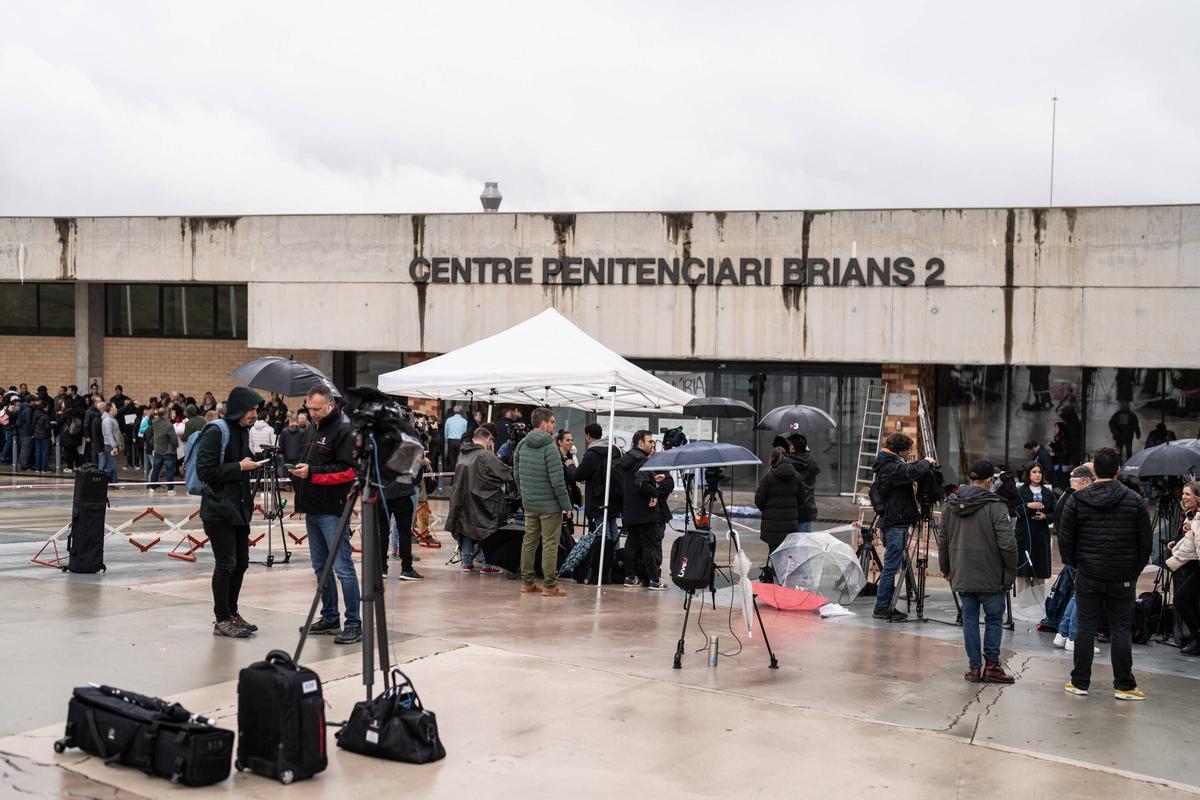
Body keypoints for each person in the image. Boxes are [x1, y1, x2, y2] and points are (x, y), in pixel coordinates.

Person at [1057, 447, 1152, 699]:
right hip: (1122, 575)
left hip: (1088, 573)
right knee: (1121, 628)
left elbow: (1065, 539)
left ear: (1094, 470)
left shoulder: (1077, 500)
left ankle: (1079, 682)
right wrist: (1134, 570)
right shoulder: (1134, 500)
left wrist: (1077, 563)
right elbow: (1145, 542)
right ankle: (1124, 685)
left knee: (1086, 627)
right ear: (1118, 470)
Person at [290, 385, 362, 645]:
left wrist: (313, 473)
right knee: (320, 567)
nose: (312, 414)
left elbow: (349, 471)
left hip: (333, 509)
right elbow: (311, 463)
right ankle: (330, 616)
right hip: (312, 507)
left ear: (330, 405)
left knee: (343, 567)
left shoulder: (343, 430)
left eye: (317, 409)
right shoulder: (311, 427)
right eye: (309, 409)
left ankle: (353, 623)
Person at [938, 459, 1018, 683]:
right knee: (994, 618)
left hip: (962, 571)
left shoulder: (950, 504)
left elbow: (943, 541)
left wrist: (946, 568)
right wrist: (1010, 570)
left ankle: (974, 667)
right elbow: (1007, 544)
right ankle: (992, 666)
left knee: (969, 618)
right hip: (991, 573)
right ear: (990, 480)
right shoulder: (996, 505)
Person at [196, 387, 263, 638]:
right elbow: (205, 471)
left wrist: (252, 465)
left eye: (256, 410)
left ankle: (232, 613)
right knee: (225, 564)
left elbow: (240, 467)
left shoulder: (243, 432)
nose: (254, 415)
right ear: (238, 409)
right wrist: (239, 466)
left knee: (241, 563)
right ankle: (221, 618)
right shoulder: (216, 431)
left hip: (238, 508)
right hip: (218, 509)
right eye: (251, 410)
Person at [870, 432, 935, 621]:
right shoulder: (890, 467)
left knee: (892, 565)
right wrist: (926, 462)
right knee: (891, 566)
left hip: (895, 521)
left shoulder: (890, 464)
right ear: (900, 450)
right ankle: (882, 607)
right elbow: (911, 472)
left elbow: (909, 469)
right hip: (895, 523)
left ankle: (886, 604)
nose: (909, 454)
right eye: (908, 450)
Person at [513, 407, 573, 597]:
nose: (554, 426)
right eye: (552, 422)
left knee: (529, 542)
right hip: (550, 507)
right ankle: (549, 585)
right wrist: (566, 505)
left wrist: (525, 494)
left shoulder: (522, 444)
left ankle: (527, 582)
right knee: (549, 544)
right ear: (543, 423)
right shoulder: (550, 448)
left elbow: (516, 473)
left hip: (530, 503)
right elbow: (557, 481)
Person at [445, 427, 508, 574]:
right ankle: (487, 564)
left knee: (466, 528)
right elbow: (504, 473)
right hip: (482, 500)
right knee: (486, 531)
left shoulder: (463, 454)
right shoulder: (486, 455)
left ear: (474, 439)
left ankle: (466, 563)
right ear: (488, 439)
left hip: (463, 499)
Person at [1053, 465, 1100, 654]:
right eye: (1091, 482)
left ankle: (1063, 633)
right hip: (1078, 556)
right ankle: (1074, 637)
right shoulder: (1075, 499)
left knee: (1077, 595)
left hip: (1072, 556)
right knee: (1083, 597)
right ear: (1084, 481)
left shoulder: (1066, 497)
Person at [618, 429, 672, 591]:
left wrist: (651, 480)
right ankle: (654, 579)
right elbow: (640, 483)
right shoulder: (642, 461)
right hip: (644, 511)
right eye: (649, 442)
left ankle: (630, 576)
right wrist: (654, 490)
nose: (652, 444)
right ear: (640, 443)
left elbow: (636, 481)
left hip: (630, 509)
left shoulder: (628, 459)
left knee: (632, 544)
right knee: (649, 545)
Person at [572, 423, 623, 543]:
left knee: (601, 532)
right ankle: (613, 558)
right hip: (613, 497)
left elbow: (578, 475)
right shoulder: (615, 450)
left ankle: (604, 559)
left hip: (598, 499)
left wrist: (570, 467)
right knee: (612, 528)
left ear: (588, 436)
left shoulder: (592, 454)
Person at [1166, 480, 1200, 655]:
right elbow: (1191, 542)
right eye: (1183, 494)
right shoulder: (1188, 515)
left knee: (1181, 599)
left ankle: (1197, 638)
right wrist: (1178, 541)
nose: (1184, 497)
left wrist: (1191, 527)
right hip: (1190, 562)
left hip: (1195, 563)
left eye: (1188, 494)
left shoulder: (1196, 517)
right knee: (1188, 600)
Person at [755, 447, 808, 554]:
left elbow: (759, 500)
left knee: (775, 558)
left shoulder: (768, 478)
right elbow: (802, 499)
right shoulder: (797, 477)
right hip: (790, 527)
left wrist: (768, 510)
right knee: (788, 560)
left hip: (772, 528)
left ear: (772, 460)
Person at [1015, 461, 1056, 590]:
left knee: (1039, 575)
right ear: (1028, 474)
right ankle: (1023, 606)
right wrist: (1028, 506)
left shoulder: (1048, 492)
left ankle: (1037, 606)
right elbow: (1012, 510)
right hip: (1024, 535)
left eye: (1040, 472)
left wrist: (1046, 517)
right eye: (1034, 472)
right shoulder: (1020, 491)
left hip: (1041, 535)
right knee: (1023, 574)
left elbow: (1056, 512)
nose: (1037, 475)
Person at [785, 433, 820, 527]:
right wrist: (807, 454)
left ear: (792, 448)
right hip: (807, 509)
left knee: (789, 541)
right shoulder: (811, 461)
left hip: (790, 510)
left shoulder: (786, 463)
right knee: (804, 541)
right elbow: (816, 470)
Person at [149, 408, 180, 494]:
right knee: (169, 470)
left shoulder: (154, 422)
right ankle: (170, 489)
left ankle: (152, 487)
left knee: (156, 469)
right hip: (168, 451)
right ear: (165, 414)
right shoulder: (169, 425)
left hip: (158, 449)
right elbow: (173, 439)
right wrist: (176, 446)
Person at [556, 429, 583, 510]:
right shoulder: (555, 457)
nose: (571, 442)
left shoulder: (570, 456)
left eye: (572, 440)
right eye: (567, 440)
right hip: (560, 497)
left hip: (569, 495)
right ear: (560, 442)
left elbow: (574, 476)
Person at [98, 402, 122, 486]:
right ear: (111, 409)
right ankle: (111, 482)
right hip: (110, 446)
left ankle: (113, 482)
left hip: (112, 445)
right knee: (112, 465)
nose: (116, 410)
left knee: (113, 465)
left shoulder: (110, 419)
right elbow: (108, 434)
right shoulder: (107, 420)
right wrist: (114, 446)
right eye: (115, 408)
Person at [443, 405, 468, 472]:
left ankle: (453, 476)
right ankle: (459, 475)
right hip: (460, 441)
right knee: (460, 459)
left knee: (452, 460)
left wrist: (446, 441)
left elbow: (445, 432)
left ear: (454, 411)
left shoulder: (449, 420)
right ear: (461, 412)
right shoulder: (465, 421)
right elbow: (466, 433)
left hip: (451, 441)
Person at [1048, 421, 1072, 491]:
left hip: (1062, 464)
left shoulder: (1064, 439)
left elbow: (1065, 453)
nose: (1054, 429)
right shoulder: (1059, 438)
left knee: (1063, 482)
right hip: (1058, 464)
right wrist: (1052, 444)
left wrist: (1054, 454)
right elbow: (1058, 448)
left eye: (1056, 427)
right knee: (1058, 482)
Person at [31, 400, 51, 473]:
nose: (47, 408)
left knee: (38, 452)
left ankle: (38, 468)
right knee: (45, 452)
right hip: (45, 435)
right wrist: (53, 424)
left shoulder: (35, 413)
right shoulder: (46, 416)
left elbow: (33, 425)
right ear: (44, 408)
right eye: (47, 407)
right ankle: (44, 469)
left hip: (37, 435)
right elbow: (47, 427)